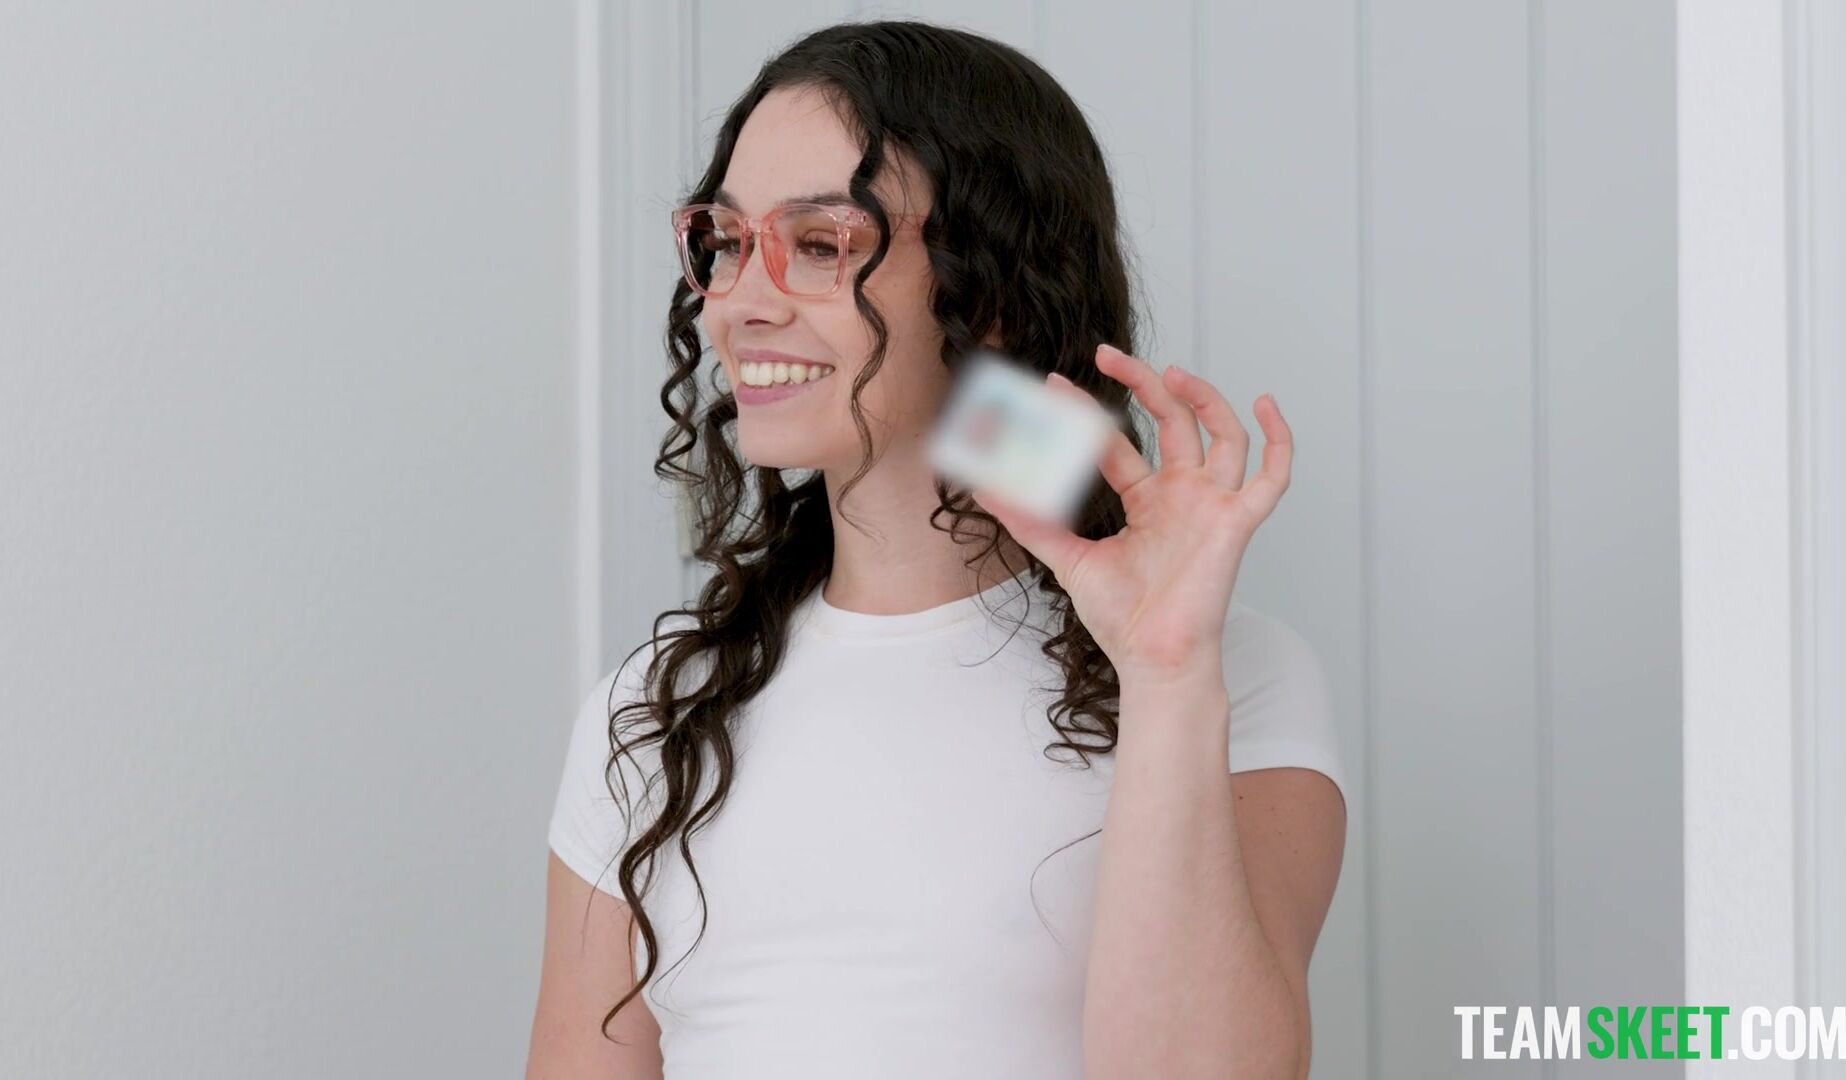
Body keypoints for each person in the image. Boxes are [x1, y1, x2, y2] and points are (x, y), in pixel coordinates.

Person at [526, 18, 1348, 1080]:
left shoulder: (1229, 678)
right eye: (725, 240)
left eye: (819, 243)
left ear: (990, 286)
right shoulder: (654, 714)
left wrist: (1168, 676)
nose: (741, 301)